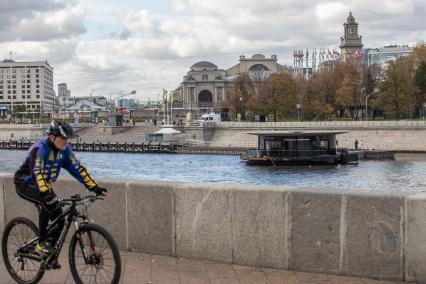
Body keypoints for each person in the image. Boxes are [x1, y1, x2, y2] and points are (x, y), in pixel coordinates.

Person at [13, 120, 107, 259]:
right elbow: (37, 172)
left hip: (45, 186)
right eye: (63, 138)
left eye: (68, 138)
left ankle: (49, 253)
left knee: (60, 221)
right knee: (47, 203)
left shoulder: (65, 151)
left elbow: (78, 169)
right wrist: (45, 194)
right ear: (52, 137)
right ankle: (41, 243)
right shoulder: (40, 149)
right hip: (25, 184)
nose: (67, 142)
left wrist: (95, 188)